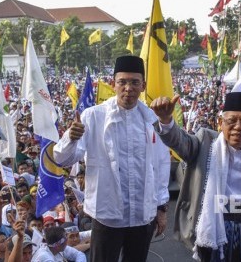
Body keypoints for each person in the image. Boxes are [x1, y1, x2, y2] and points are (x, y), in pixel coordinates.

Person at [54, 55, 171, 262]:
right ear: (113, 83)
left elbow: (161, 166)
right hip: (107, 216)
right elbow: (63, 160)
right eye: (122, 82)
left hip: (141, 214)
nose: (128, 88)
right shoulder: (93, 116)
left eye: (134, 82)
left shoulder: (151, 120)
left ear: (143, 85)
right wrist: (70, 139)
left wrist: (161, 208)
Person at [150, 91, 241, 262]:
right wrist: (166, 121)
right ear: (220, 123)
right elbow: (180, 142)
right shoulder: (205, 142)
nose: (238, 127)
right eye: (231, 121)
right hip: (215, 227)